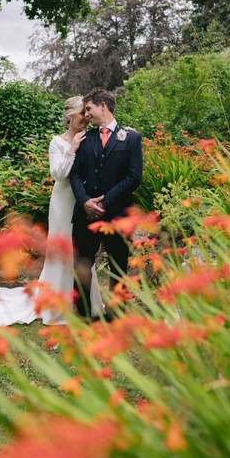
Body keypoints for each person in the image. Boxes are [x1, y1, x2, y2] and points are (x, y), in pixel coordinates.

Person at [0, 97, 103, 325]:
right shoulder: (58, 142)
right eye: (83, 111)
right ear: (70, 115)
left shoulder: (92, 137)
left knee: (81, 251)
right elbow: (58, 175)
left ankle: (85, 302)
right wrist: (72, 149)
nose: (87, 116)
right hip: (63, 203)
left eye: (88, 111)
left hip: (84, 202)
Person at [69, 88, 143, 320]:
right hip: (85, 214)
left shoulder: (131, 137)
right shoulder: (84, 138)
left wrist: (105, 200)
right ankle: (82, 314)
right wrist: (85, 202)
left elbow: (134, 177)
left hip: (118, 213)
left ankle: (115, 314)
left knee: (118, 265)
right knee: (81, 263)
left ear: (103, 106)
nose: (86, 114)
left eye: (89, 108)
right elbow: (74, 174)